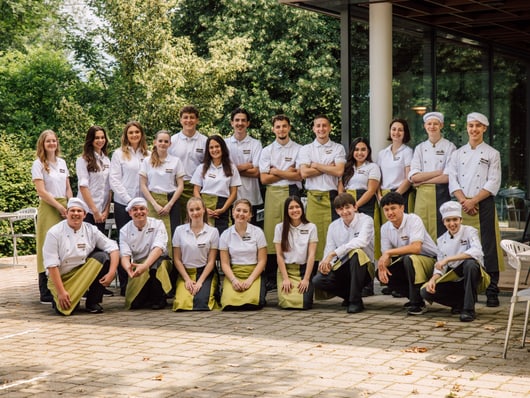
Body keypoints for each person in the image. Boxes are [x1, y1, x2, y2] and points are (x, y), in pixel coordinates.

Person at [446, 112, 503, 307]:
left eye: (478, 126)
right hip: (462, 203)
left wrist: (474, 200)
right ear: (467, 128)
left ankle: (492, 290)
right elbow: (452, 178)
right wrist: (464, 201)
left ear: (484, 129)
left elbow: (494, 181)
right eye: (471, 125)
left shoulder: (492, 153)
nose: (474, 129)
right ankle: (466, 288)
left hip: (483, 203)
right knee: (463, 245)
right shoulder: (457, 153)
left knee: (488, 246)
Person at [44, 198, 119, 315]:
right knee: (65, 310)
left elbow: (113, 247)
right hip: (61, 277)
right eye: (72, 211)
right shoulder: (54, 232)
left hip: (83, 272)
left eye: (79, 211)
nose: (75, 214)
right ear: (66, 213)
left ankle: (93, 302)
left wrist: (112, 272)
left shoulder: (91, 230)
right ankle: (70, 297)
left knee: (103, 257)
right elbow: (51, 265)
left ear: (84, 214)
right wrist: (61, 292)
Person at [421, 201, 490, 322]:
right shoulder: (441, 240)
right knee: (425, 292)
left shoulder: (470, 231)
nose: (452, 224)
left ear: (461, 220)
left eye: (455, 220)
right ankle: (459, 303)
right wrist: (432, 279)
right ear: (444, 222)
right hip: (455, 278)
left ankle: (469, 310)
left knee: (470, 264)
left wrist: (448, 259)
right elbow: (440, 266)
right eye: (448, 220)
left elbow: (476, 251)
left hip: (474, 276)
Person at [259, 114, 303, 290]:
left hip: (292, 192)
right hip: (272, 194)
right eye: (278, 127)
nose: (281, 130)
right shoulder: (267, 150)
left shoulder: (300, 149)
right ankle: (271, 276)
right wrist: (287, 172)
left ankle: (295, 270)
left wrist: (275, 171)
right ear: (273, 129)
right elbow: (263, 179)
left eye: (284, 126)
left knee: (293, 231)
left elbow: (299, 175)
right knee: (271, 233)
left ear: (289, 127)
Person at [312, 193, 374, 313]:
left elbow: (361, 241)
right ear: (336, 211)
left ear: (355, 207)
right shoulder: (333, 226)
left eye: (347, 207)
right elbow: (328, 249)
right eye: (340, 209)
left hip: (364, 269)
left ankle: (355, 302)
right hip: (342, 267)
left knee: (356, 253)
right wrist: (325, 263)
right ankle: (350, 296)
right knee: (318, 280)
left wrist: (334, 253)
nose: (344, 211)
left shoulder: (367, 220)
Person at [378, 192, 438, 315]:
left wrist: (388, 252)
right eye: (386, 209)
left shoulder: (413, 219)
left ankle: (417, 304)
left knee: (409, 259)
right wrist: (383, 265)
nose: (390, 213)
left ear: (402, 207)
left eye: (393, 208)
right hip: (410, 261)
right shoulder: (385, 228)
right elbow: (386, 256)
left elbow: (416, 248)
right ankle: (414, 297)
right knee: (382, 272)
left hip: (430, 261)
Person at [31, 129, 73, 304]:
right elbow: (41, 191)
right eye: (48, 141)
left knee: (65, 245)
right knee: (47, 245)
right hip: (49, 207)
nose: (51, 144)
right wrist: (58, 206)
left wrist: (71, 206)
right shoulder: (38, 164)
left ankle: (65, 283)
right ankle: (45, 288)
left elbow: (68, 187)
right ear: (42, 143)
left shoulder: (62, 162)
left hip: (64, 205)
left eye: (54, 141)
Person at [109, 121, 150, 295]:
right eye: (130, 133)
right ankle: (125, 284)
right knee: (124, 242)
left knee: (144, 241)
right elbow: (114, 180)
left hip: (143, 205)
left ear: (141, 134)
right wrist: (129, 202)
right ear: (126, 135)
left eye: (137, 132)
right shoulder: (118, 154)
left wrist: (142, 202)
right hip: (124, 205)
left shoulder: (148, 154)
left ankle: (144, 282)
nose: (134, 135)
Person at [299, 114, 346, 261]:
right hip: (313, 197)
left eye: (324, 125)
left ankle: (332, 266)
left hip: (332, 197)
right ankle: (315, 270)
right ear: (313, 129)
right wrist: (328, 167)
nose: (321, 128)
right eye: (318, 126)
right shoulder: (306, 149)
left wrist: (316, 165)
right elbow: (304, 173)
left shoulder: (338, 148)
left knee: (333, 234)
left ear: (330, 128)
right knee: (314, 235)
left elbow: (339, 171)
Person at [342, 137, 381, 292]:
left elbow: (371, 190)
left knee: (366, 243)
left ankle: (368, 283)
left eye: (363, 149)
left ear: (368, 151)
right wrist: (344, 206)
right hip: (347, 205)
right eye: (356, 149)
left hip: (365, 204)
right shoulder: (347, 168)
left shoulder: (373, 167)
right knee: (350, 241)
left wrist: (356, 206)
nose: (359, 152)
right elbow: (341, 187)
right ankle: (352, 281)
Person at [408, 112, 456, 241]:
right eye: (429, 124)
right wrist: (437, 172)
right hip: (422, 196)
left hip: (441, 193)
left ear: (441, 125)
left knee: (442, 226)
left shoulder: (450, 147)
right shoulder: (420, 148)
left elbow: (447, 177)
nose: (432, 126)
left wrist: (423, 181)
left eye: (435, 123)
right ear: (425, 126)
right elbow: (413, 177)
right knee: (421, 226)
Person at [119, 197, 173, 310]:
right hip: (138, 264)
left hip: (158, 260)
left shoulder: (158, 224)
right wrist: (128, 268)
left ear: (147, 211)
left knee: (156, 266)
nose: (139, 212)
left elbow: (159, 248)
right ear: (130, 213)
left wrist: (145, 265)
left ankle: (159, 298)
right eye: (135, 210)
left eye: (142, 209)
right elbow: (125, 255)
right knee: (134, 303)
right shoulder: (124, 230)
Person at [140, 130, 185, 252]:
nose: (163, 144)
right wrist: (154, 204)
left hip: (172, 202)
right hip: (152, 202)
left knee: (172, 235)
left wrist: (170, 205)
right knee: (151, 234)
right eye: (160, 141)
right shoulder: (146, 161)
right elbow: (143, 185)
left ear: (170, 144)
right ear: (155, 142)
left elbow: (180, 185)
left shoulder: (176, 161)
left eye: (166, 141)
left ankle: (172, 266)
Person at [172, 197, 220, 311]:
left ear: (204, 210)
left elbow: (211, 261)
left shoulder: (213, 232)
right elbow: (177, 259)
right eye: (191, 210)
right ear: (188, 212)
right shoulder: (179, 230)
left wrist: (199, 282)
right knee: (181, 304)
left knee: (202, 303)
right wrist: (187, 279)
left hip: (204, 273)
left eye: (198, 209)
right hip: (185, 273)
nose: (195, 213)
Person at [219, 199, 267, 310]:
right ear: (232, 212)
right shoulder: (225, 235)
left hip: (253, 273)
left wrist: (250, 280)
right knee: (228, 303)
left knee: (253, 302)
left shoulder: (258, 232)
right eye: (238, 210)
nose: (241, 214)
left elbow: (262, 261)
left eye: (245, 211)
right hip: (234, 273)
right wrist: (233, 280)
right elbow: (225, 263)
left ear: (250, 215)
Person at [191, 135, 241, 236]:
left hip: (223, 207)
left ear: (222, 147)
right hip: (204, 207)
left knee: (222, 237)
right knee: (203, 237)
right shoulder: (201, 167)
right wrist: (203, 208)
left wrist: (223, 209)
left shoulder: (231, 168)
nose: (214, 150)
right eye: (211, 147)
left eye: (217, 146)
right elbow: (196, 190)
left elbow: (234, 192)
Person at [274, 195, 317, 310]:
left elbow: (312, 255)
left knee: (305, 303)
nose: (294, 210)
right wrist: (286, 279)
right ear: (286, 211)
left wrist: (306, 279)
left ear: (302, 209)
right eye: (291, 208)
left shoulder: (311, 227)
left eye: (297, 207)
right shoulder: (279, 228)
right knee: (286, 302)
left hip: (303, 270)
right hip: (286, 270)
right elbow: (279, 255)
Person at [168, 105, 208, 222]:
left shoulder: (205, 141)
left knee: (197, 219)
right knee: (178, 220)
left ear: (197, 120)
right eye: (185, 117)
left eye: (192, 117)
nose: (188, 120)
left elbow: (208, 164)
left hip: (197, 186)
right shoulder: (172, 141)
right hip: (176, 186)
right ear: (180, 120)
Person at [225, 108, 263, 225]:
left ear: (248, 123)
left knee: (252, 233)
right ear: (232, 123)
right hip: (230, 197)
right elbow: (223, 171)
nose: (240, 123)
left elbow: (256, 172)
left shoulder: (256, 144)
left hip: (252, 197)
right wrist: (246, 166)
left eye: (243, 120)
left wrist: (233, 169)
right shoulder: (224, 144)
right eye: (237, 120)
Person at [76, 125, 112, 234]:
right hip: (87, 211)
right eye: (97, 138)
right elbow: (83, 187)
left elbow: (109, 187)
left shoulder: (106, 160)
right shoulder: (83, 160)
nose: (100, 140)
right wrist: (95, 211)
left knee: (99, 247)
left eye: (102, 137)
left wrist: (106, 210)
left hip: (102, 212)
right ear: (90, 140)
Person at [376, 118, 414, 213]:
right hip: (384, 196)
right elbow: (378, 179)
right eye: (394, 129)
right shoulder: (382, 153)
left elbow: (408, 178)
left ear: (405, 133)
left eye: (400, 130)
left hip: (401, 195)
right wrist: (380, 196)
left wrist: (394, 196)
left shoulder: (408, 152)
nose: (396, 132)